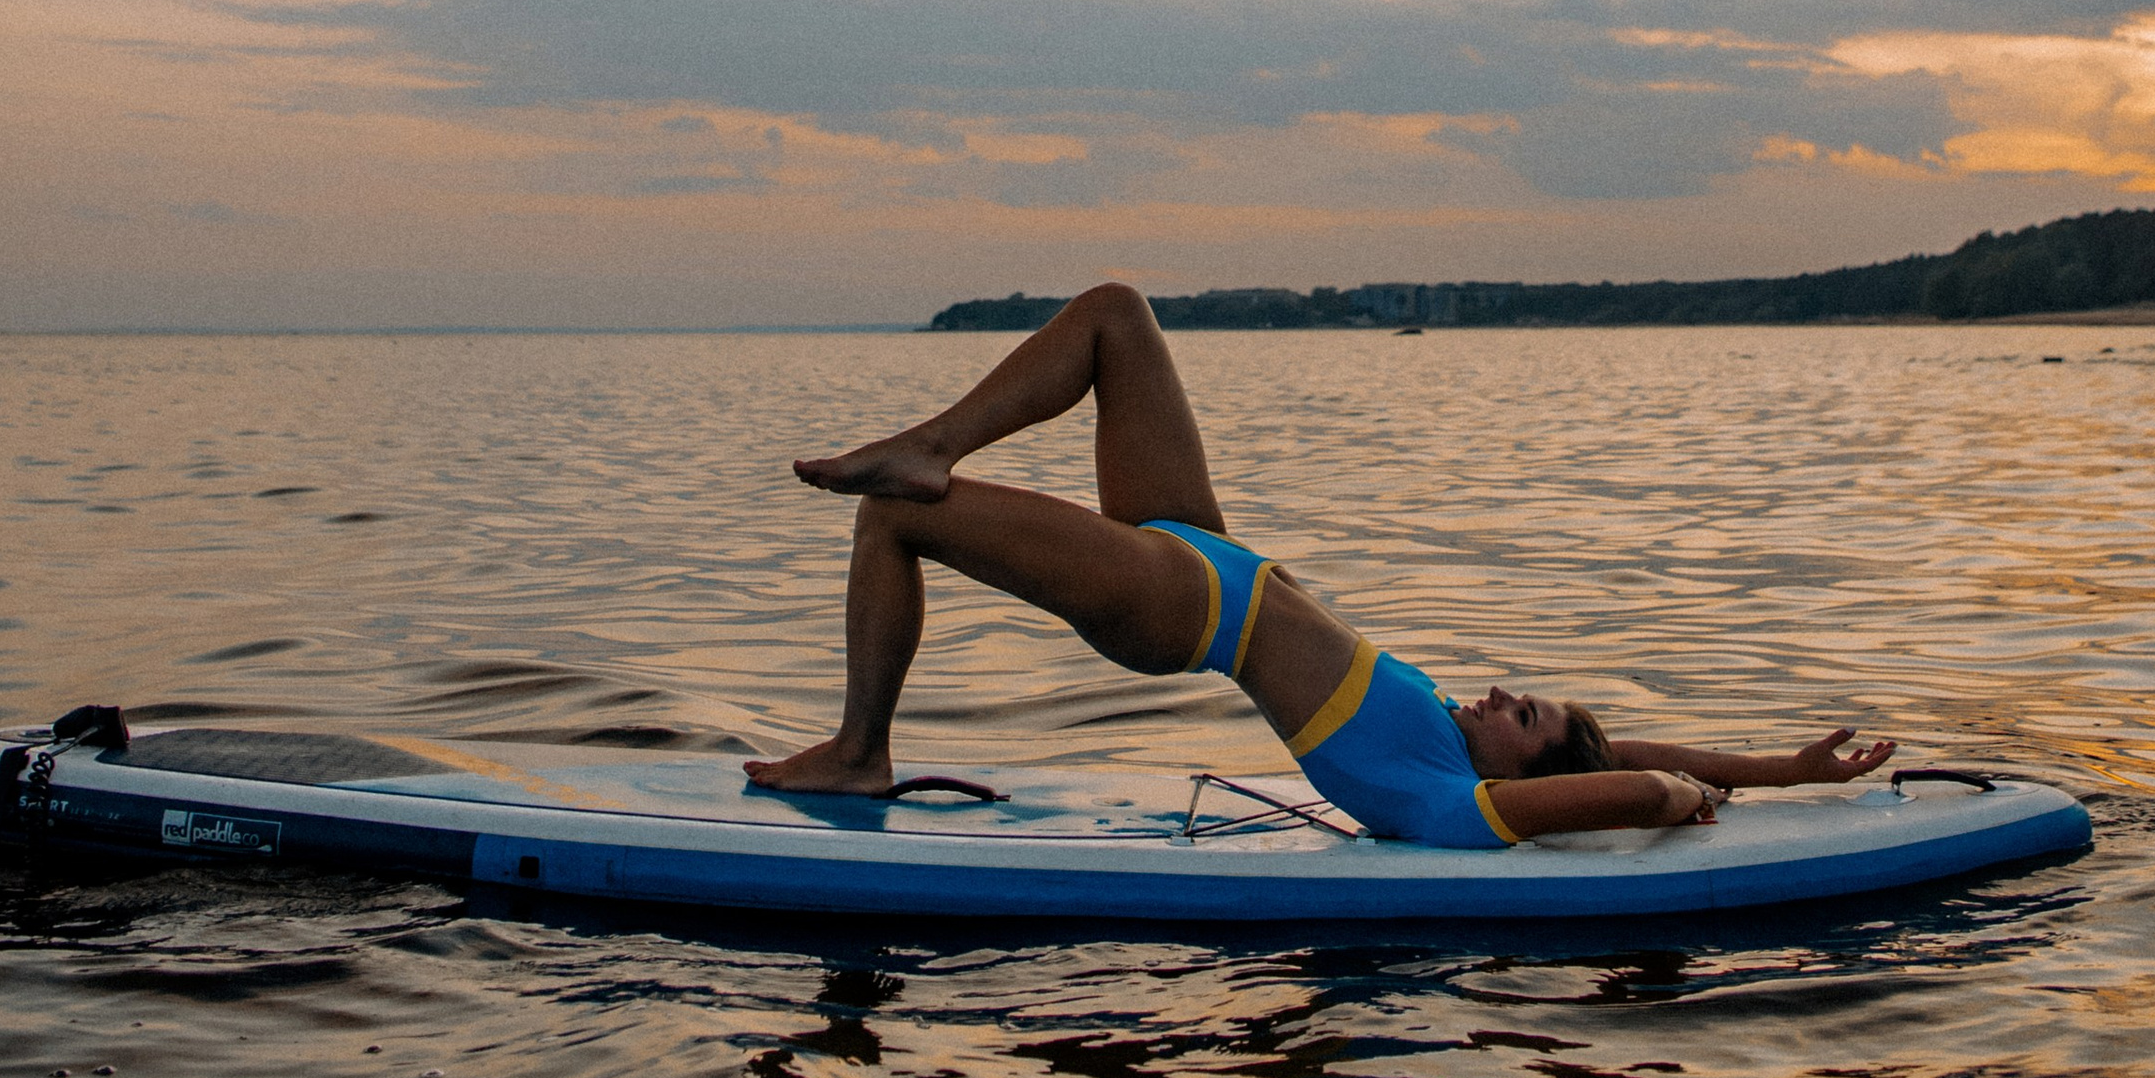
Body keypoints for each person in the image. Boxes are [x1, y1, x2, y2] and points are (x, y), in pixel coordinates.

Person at [746, 283, 1894, 844]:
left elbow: (1629, 780)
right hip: (1200, 546)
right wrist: (1786, 772)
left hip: (1182, 607)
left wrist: (1677, 800)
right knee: (1116, 314)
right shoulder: (1451, 735)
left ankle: (860, 751)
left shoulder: (1448, 798)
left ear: (1522, 772)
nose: (1496, 689)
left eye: (1520, 710)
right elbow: (1631, 748)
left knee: (895, 521)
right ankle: (934, 442)